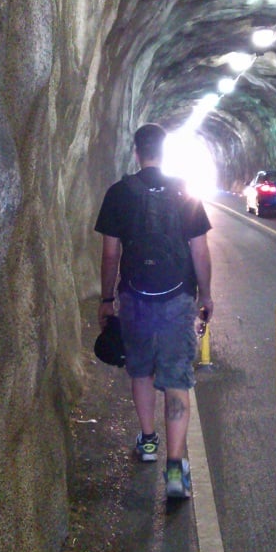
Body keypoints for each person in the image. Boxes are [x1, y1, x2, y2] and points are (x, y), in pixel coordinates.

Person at [94, 123, 214, 499]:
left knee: (141, 370)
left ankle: (148, 443)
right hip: (178, 299)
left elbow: (111, 252)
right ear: (165, 152)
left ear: (136, 152)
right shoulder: (185, 191)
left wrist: (107, 298)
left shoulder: (118, 193)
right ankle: (175, 471)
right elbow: (199, 250)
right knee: (177, 379)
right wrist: (205, 295)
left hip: (134, 298)